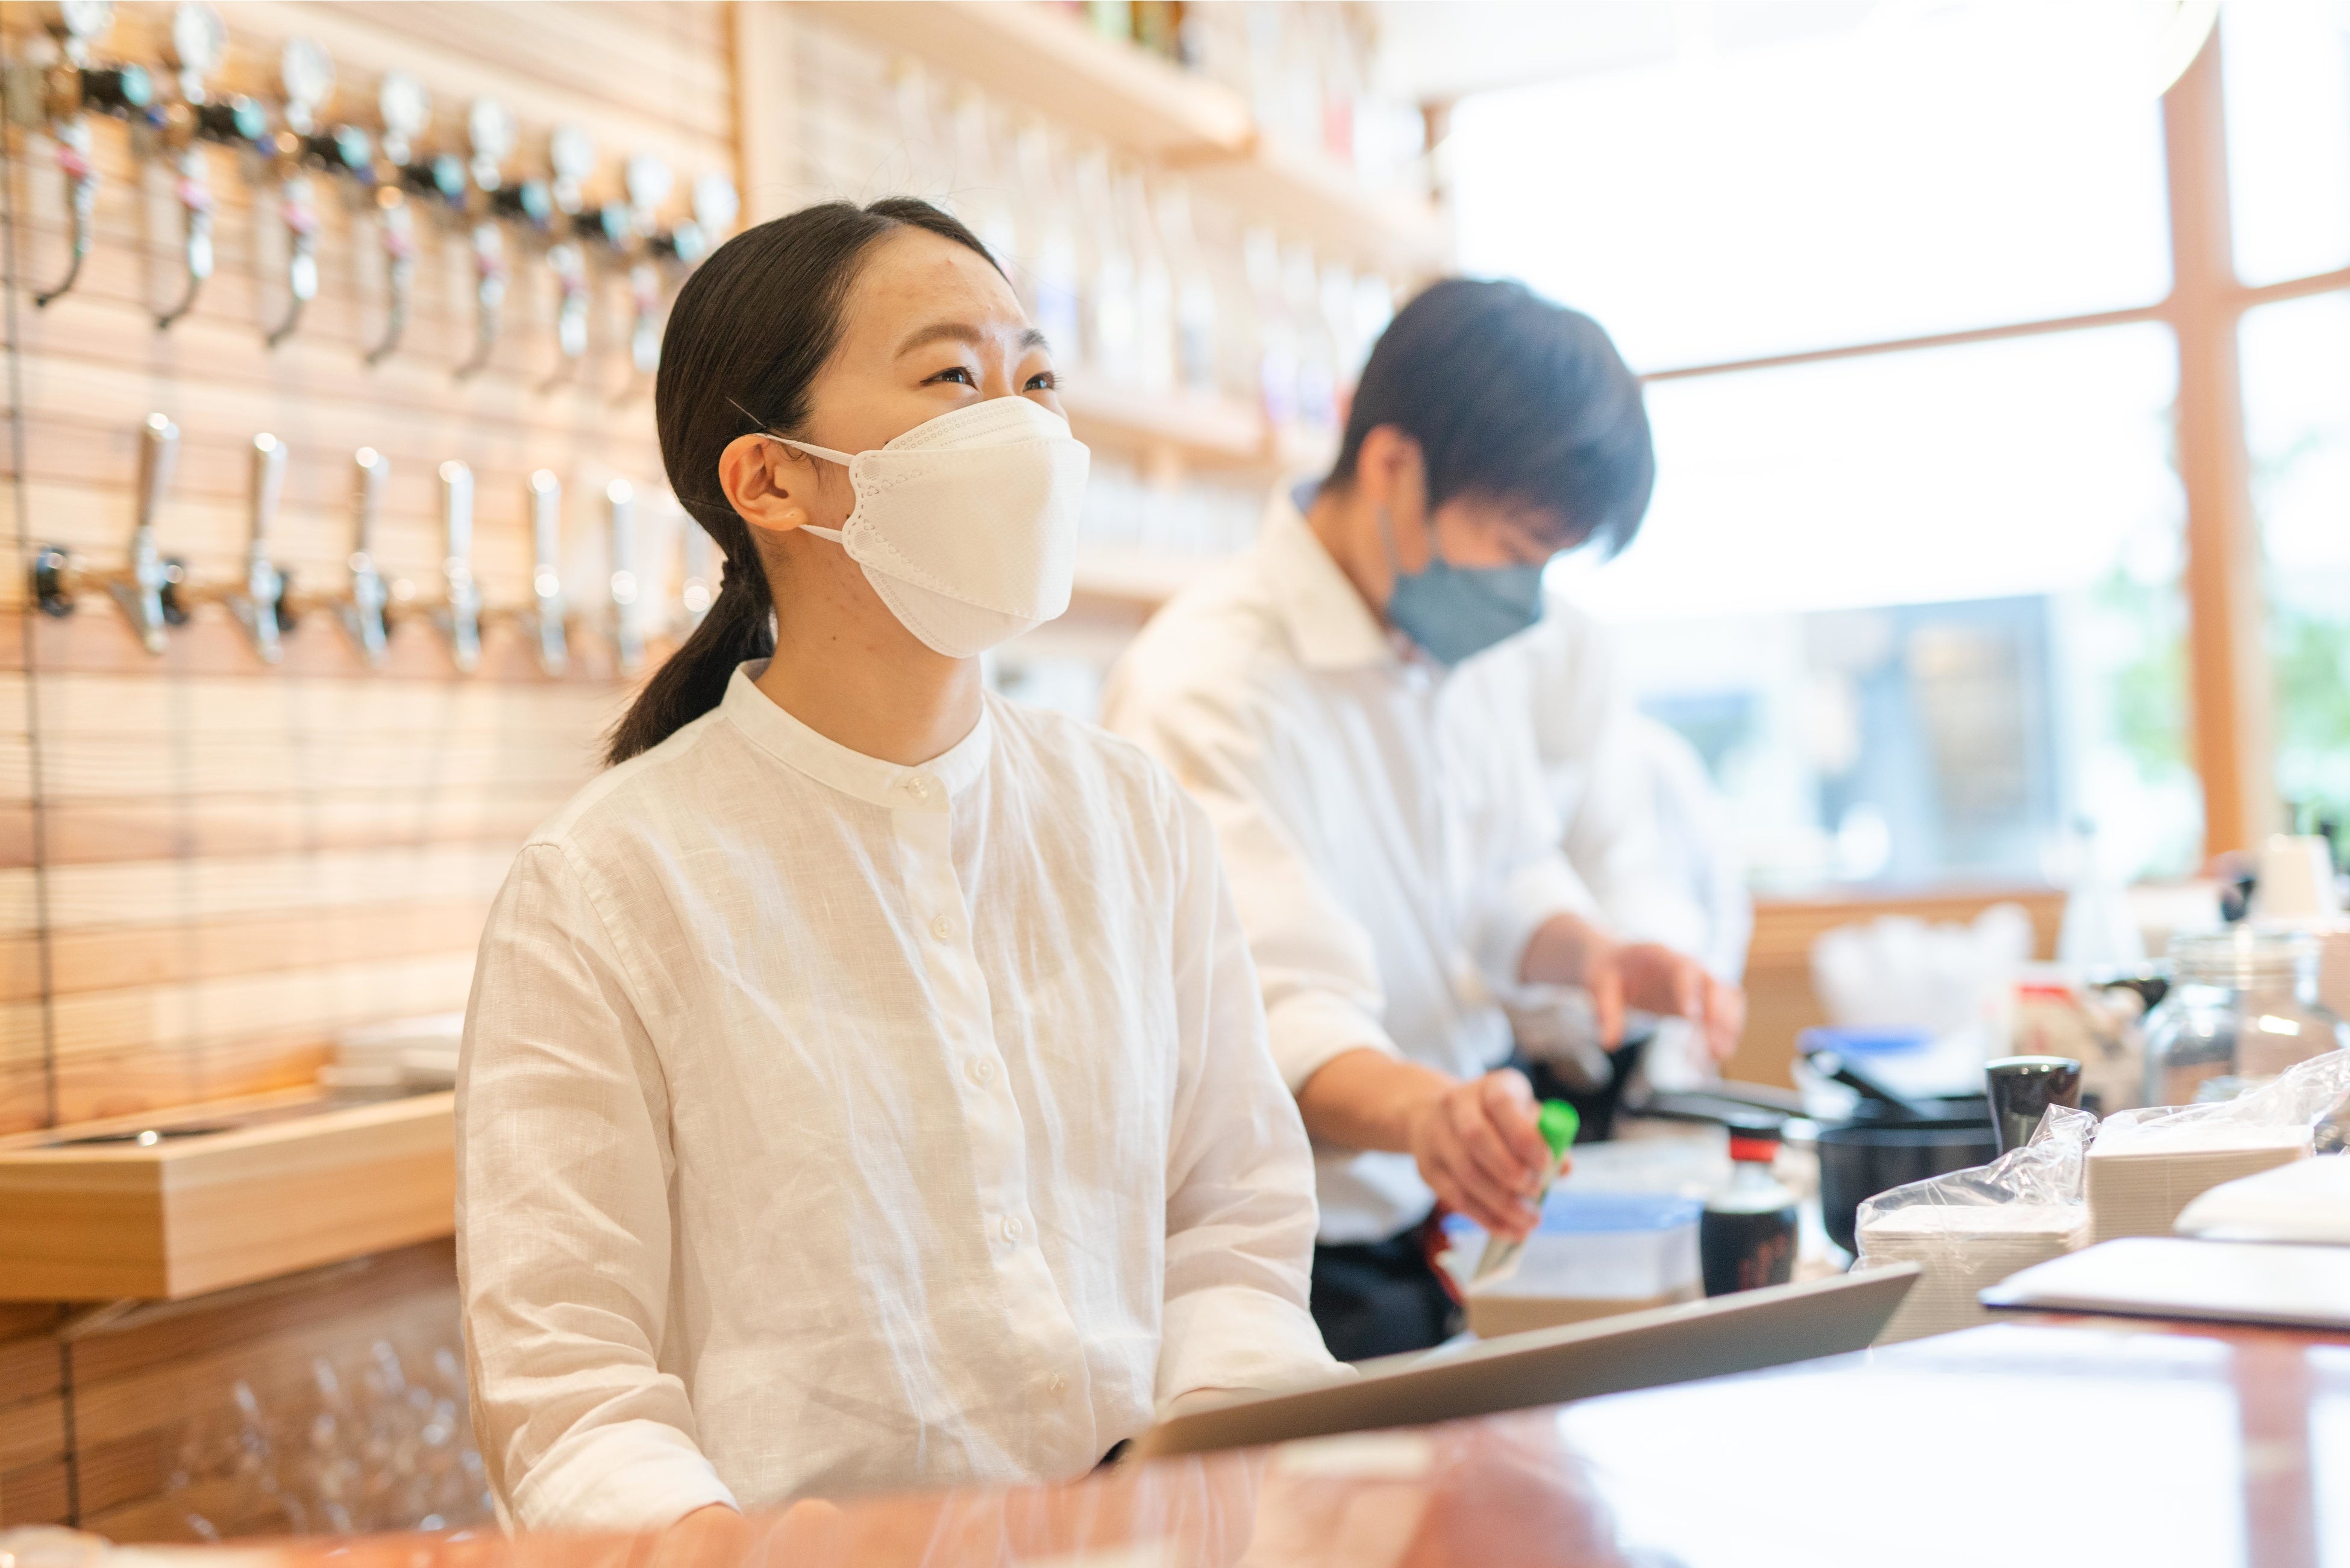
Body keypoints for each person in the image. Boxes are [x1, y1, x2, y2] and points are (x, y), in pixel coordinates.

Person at [457, 198, 1333, 1537]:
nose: (1028, 426)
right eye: (955, 379)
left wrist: (1212, 1467)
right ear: (773, 478)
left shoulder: (1131, 817)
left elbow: (1233, 1216)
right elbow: (570, 1383)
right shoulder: (605, 884)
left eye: (1038, 379)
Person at [1101, 278, 1744, 1361]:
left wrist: (1594, 950)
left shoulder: (1452, 644)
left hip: (1450, 1220)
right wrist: (1425, 1114)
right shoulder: (1205, 685)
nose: (1529, 597)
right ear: (1396, 466)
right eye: (1517, 545)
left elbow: (1501, 879)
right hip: (1302, 1267)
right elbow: (1272, 1021)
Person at [1458, 595, 1754, 1097]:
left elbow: (1722, 907)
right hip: (1501, 1055)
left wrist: (1694, 994)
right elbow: (1494, 905)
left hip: (1647, 1053)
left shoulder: (1652, 765)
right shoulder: (1474, 765)